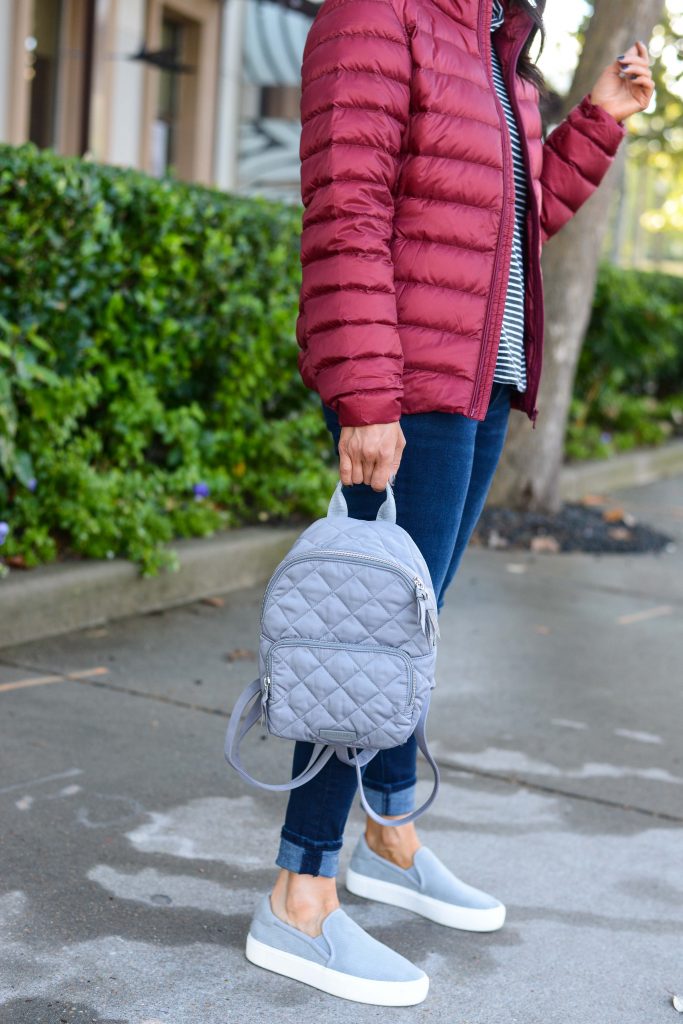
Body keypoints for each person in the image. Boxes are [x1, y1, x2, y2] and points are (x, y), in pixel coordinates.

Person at [245, 0, 654, 1005]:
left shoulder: (492, 41)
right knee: (365, 640)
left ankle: (387, 834)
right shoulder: (377, 15)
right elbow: (345, 208)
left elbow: (510, 225)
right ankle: (298, 894)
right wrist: (367, 396)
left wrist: (593, 117)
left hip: (476, 388)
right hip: (409, 391)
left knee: (403, 635)